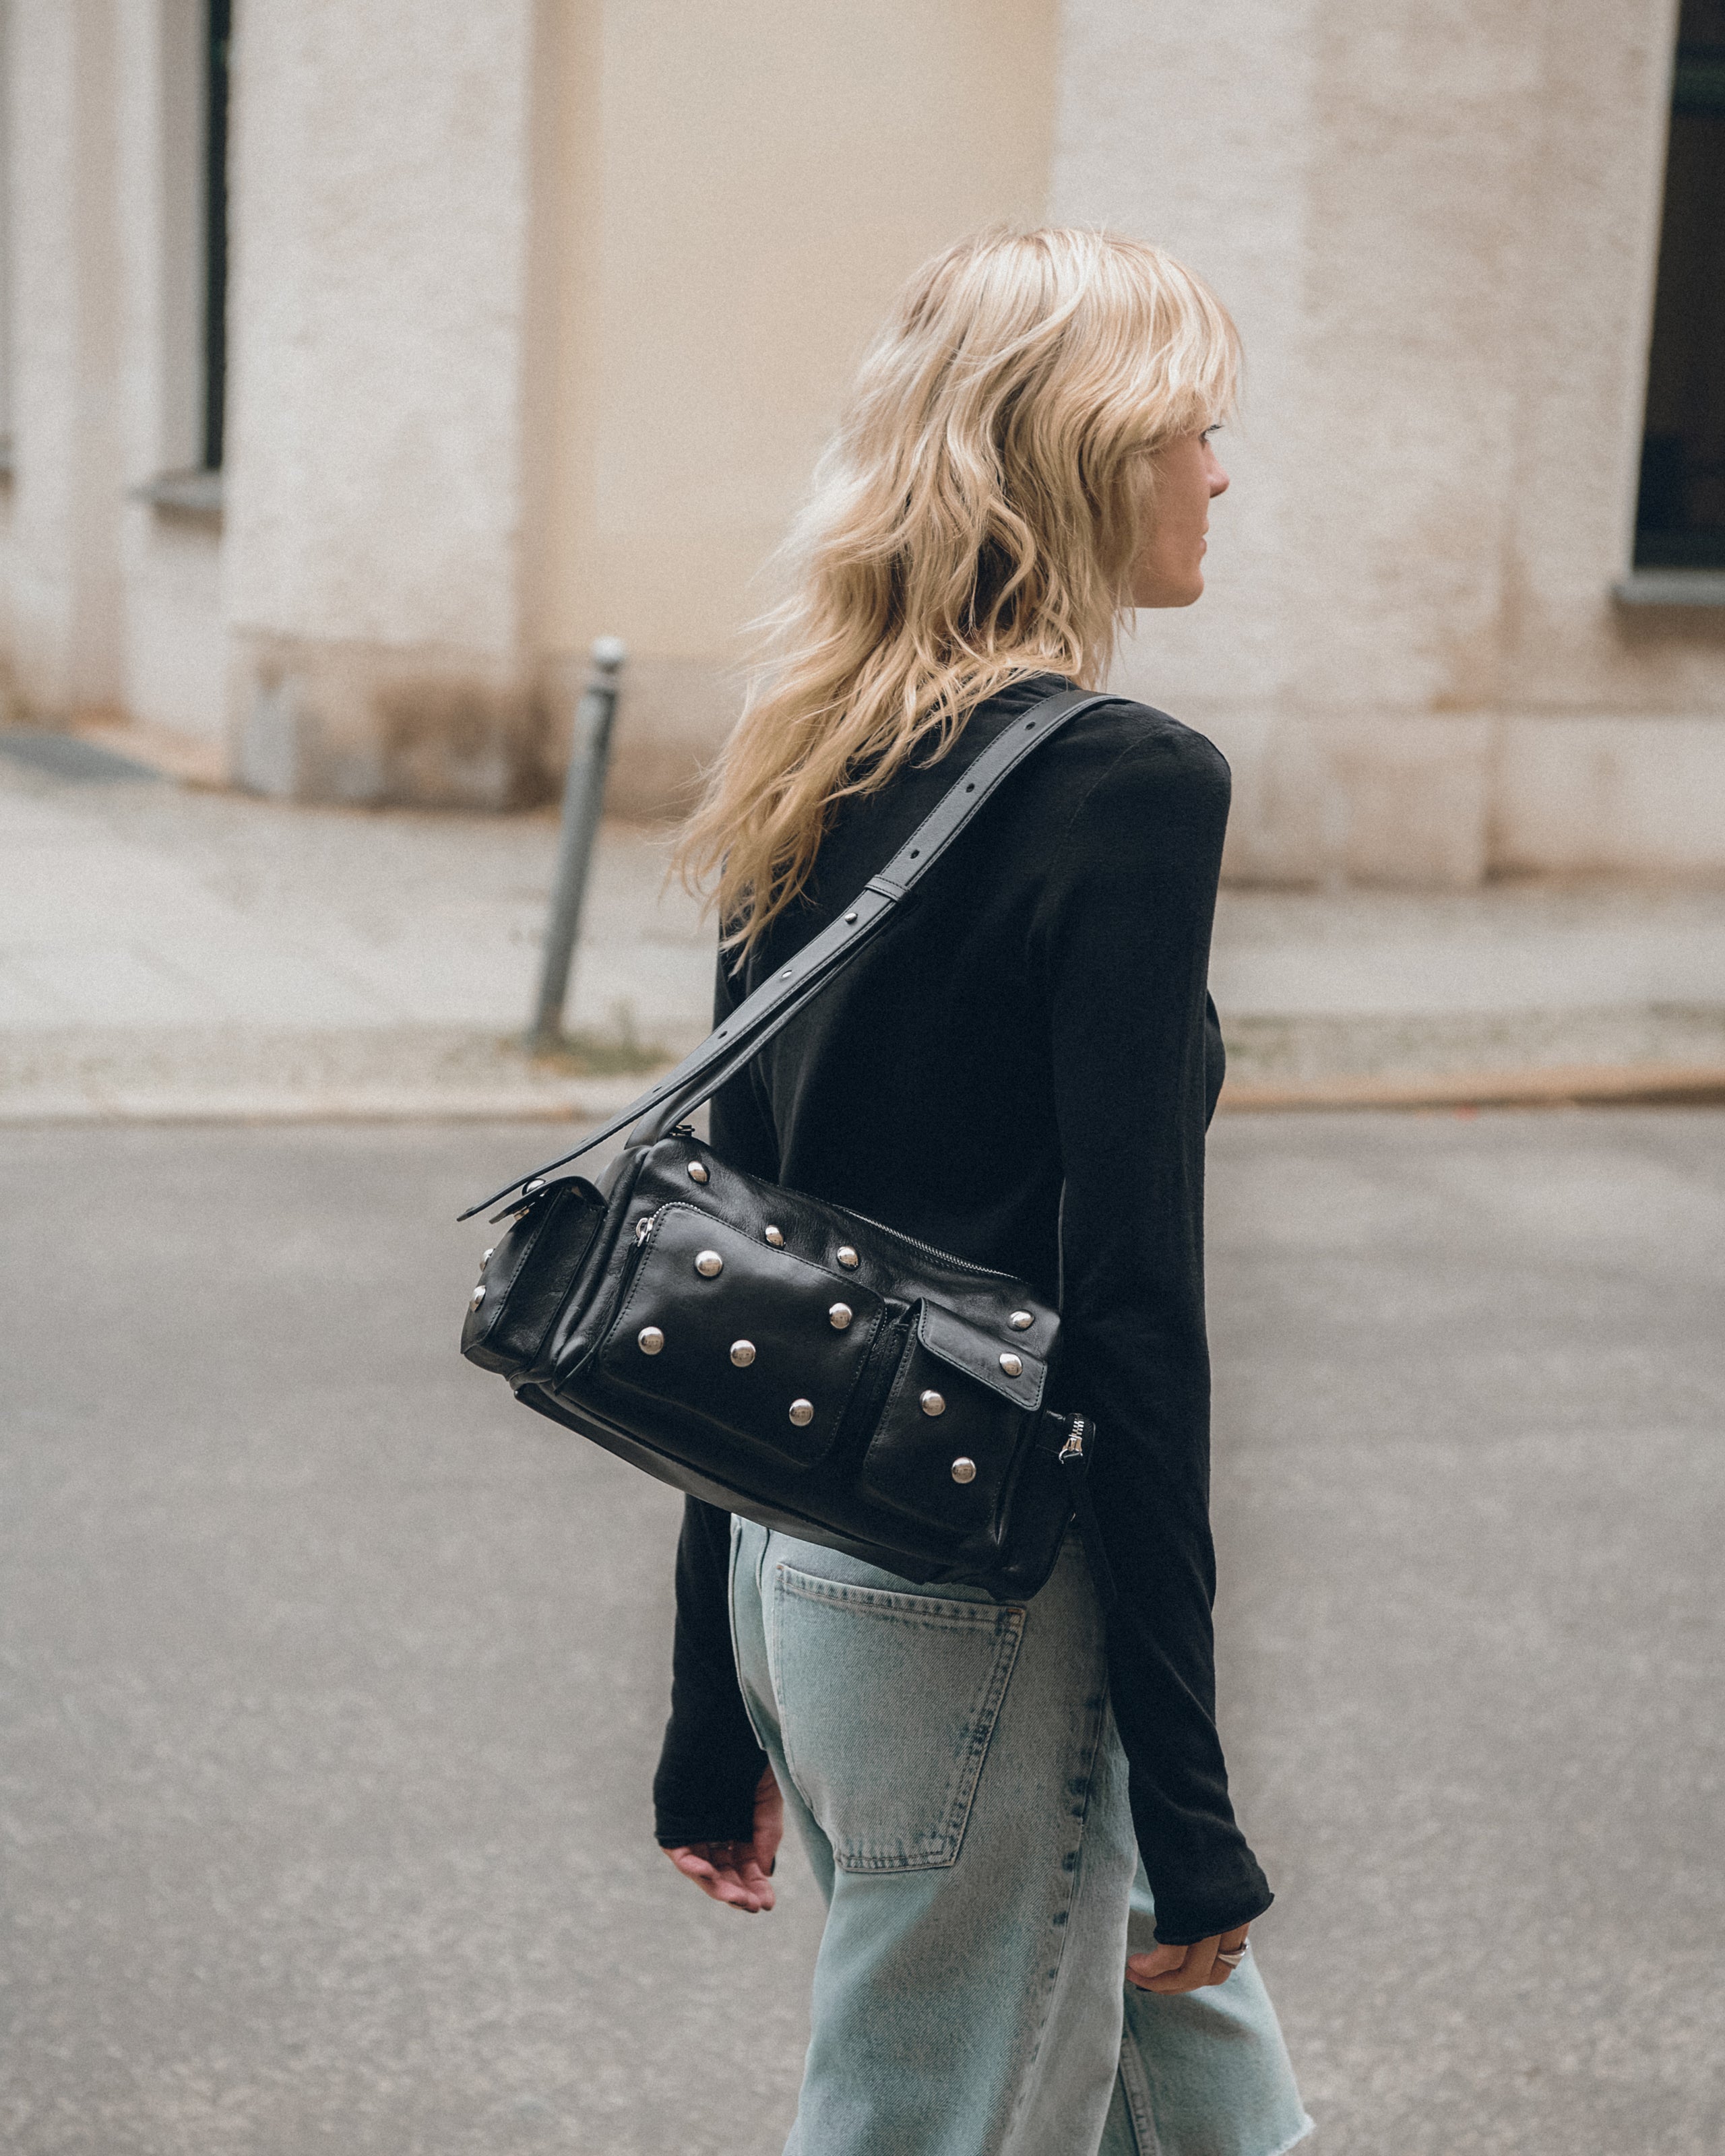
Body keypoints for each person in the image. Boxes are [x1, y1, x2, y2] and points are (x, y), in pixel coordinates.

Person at [654, 227, 1312, 2156]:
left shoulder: (813, 751)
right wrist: (1191, 1799)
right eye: (1192, 428)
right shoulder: (1127, 785)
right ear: (1087, 457)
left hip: (819, 1578)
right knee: (924, 2119)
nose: (1220, 473)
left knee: (1207, 2094)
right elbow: (1130, 1312)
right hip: (987, 1600)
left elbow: (730, 1259)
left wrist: (716, 1687)